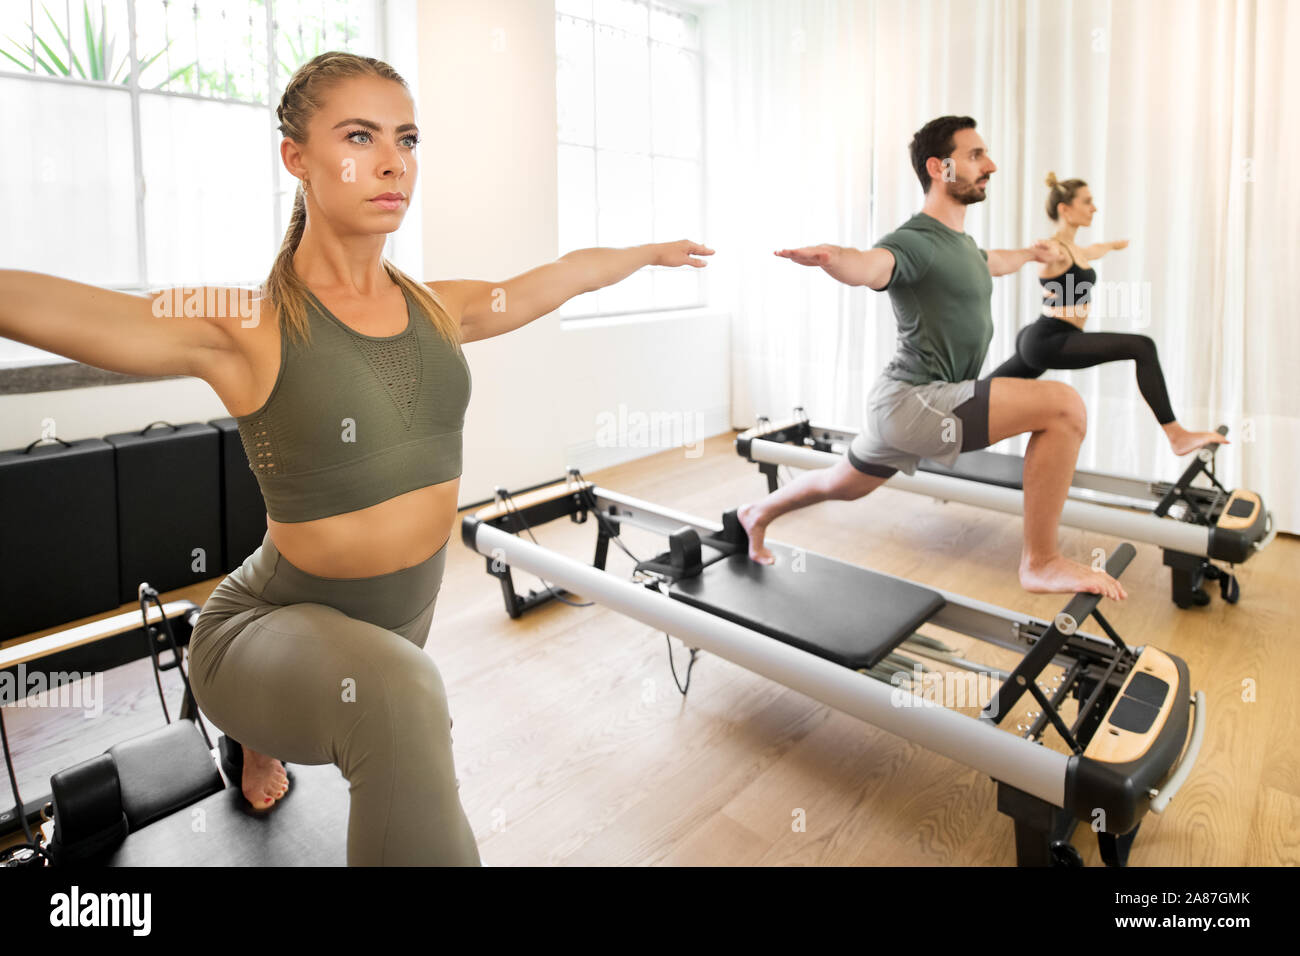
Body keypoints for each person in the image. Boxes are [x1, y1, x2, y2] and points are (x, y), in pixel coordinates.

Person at [0, 51, 712, 865]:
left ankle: (263, 738)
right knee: (402, 700)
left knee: (399, 695)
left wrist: (645, 253)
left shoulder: (439, 308)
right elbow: (77, 310)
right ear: (295, 158)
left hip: (389, 635)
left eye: (406, 139)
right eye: (360, 135)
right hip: (252, 628)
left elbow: (555, 279)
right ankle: (250, 727)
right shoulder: (249, 322)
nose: (392, 162)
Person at [738, 115, 1126, 601]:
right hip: (917, 401)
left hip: (899, 405)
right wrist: (836, 258)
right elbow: (871, 264)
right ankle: (1041, 562)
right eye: (975, 156)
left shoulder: (960, 244)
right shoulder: (915, 240)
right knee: (1064, 406)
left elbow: (991, 262)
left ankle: (757, 513)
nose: (991, 166)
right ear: (940, 168)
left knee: (844, 483)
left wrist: (1029, 254)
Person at [983, 173, 1225, 457]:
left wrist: (1113, 245)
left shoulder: (1075, 249)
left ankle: (946, 415)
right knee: (1142, 346)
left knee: (984, 396)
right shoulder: (1057, 249)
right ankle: (1176, 435)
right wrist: (1039, 251)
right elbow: (1049, 255)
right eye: (1087, 202)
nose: (1094, 208)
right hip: (1049, 339)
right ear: (1065, 209)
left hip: (1043, 336)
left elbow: (1092, 251)